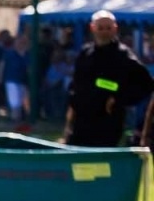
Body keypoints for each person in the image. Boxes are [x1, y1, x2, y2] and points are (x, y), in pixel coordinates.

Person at [63, 10, 154, 147]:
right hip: (80, 123)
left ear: (115, 28)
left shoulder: (123, 56)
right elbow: (76, 88)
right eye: (100, 28)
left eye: (108, 28)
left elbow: (146, 84)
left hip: (106, 124)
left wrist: (119, 99)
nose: (104, 32)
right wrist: (69, 121)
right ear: (92, 28)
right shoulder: (85, 54)